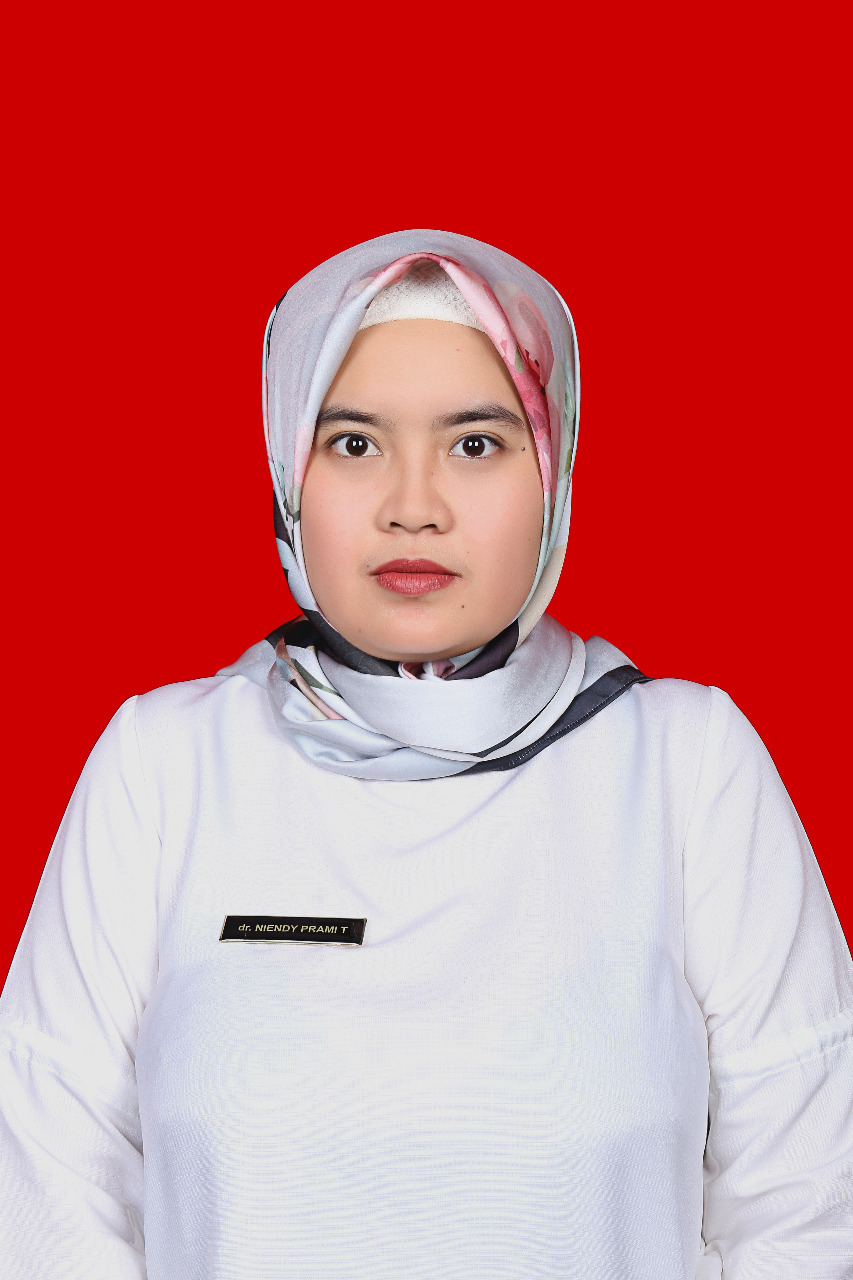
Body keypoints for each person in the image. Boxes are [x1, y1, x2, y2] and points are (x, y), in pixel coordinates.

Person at [1, 229, 851, 1279]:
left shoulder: (684, 764)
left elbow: (814, 1207)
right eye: (354, 444)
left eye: (476, 443)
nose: (414, 505)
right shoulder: (164, 765)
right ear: (288, 470)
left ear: (552, 470)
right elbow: (42, 1196)